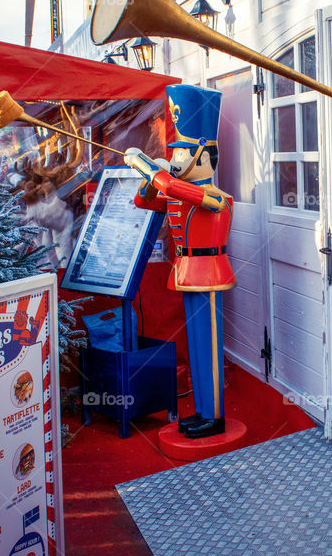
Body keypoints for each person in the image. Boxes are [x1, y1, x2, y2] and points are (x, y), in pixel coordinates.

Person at [125, 85, 235, 440]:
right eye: (172, 153)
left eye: (181, 152)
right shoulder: (181, 191)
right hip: (186, 272)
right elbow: (144, 202)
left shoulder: (213, 196)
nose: (173, 158)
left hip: (210, 273)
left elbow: (179, 190)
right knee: (197, 347)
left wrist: (148, 166)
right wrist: (151, 177)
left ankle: (215, 415)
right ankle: (203, 411)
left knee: (210, 349)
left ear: (203, 154)